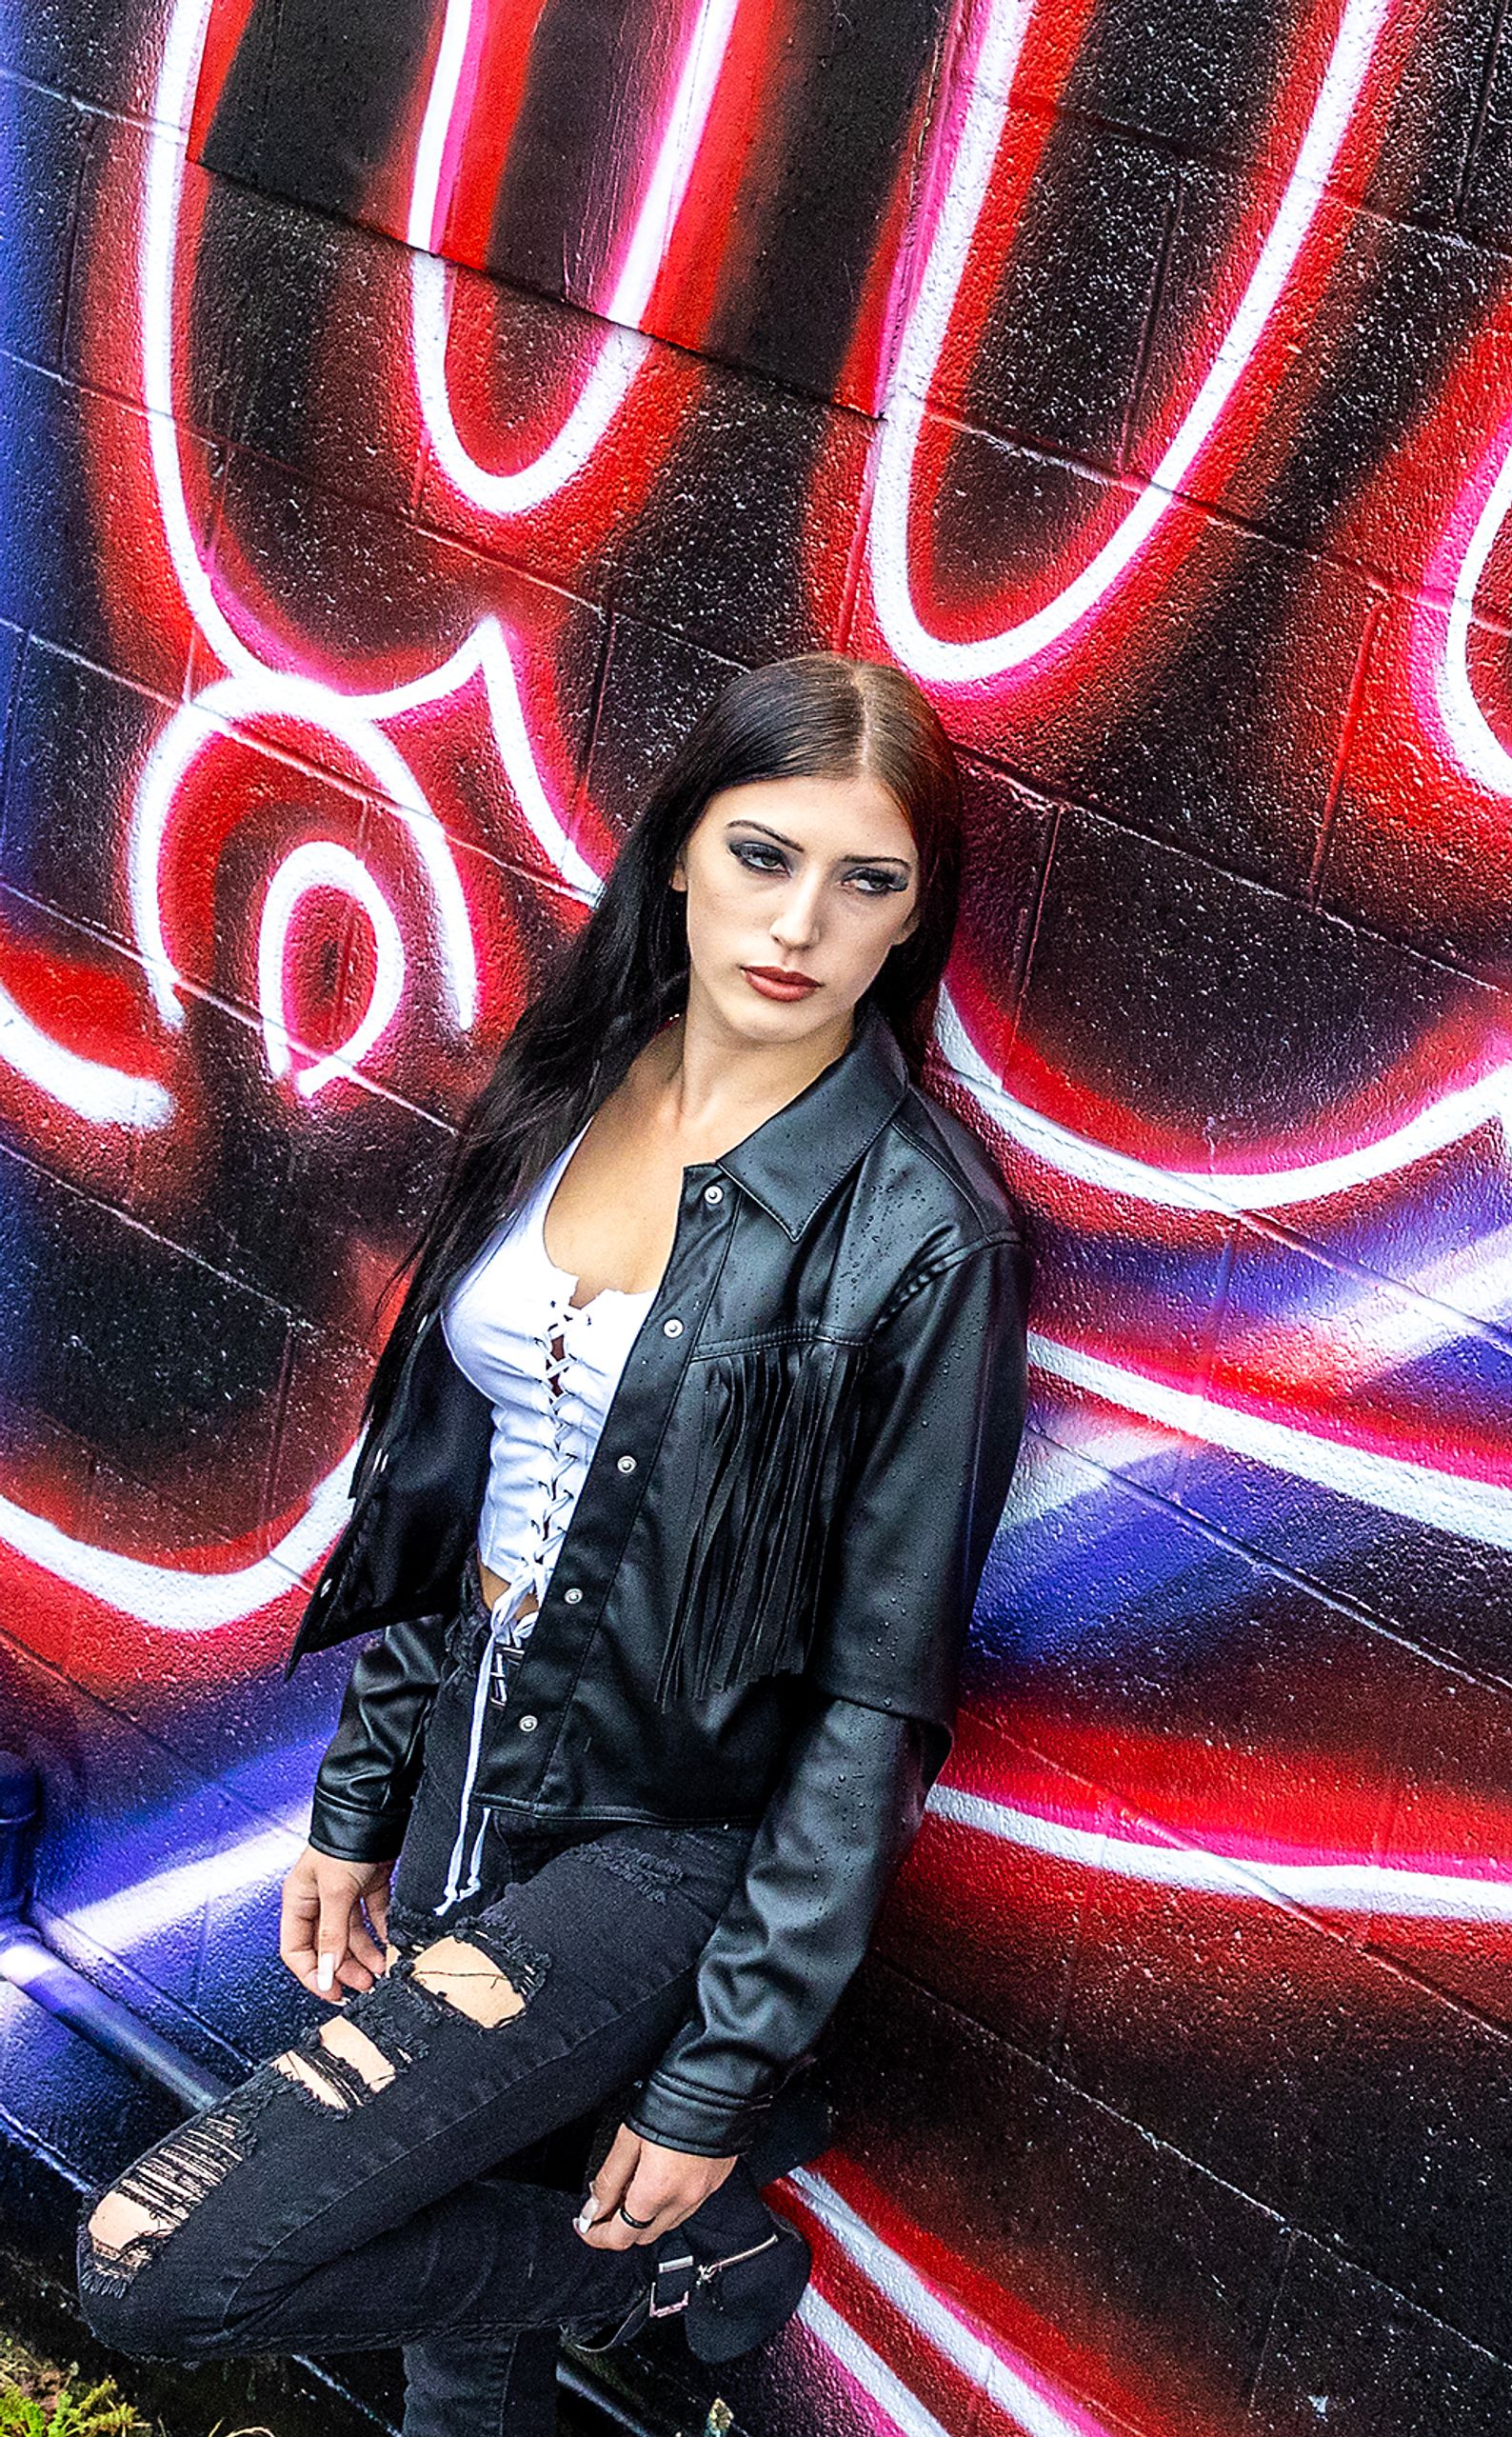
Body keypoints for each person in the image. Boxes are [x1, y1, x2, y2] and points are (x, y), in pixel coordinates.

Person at [70, 654, 1036, 2437]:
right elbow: (451, 1490)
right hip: (463, 1774)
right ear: (678, 856)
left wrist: (723, 2069)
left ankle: (679, 2263)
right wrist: (363, 1800)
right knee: (460, 2359)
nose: (803, 923)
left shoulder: (924, 1232)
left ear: (915, 922)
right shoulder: (566, 1088)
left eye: (868, 882)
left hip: (661, 1852)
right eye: (763, 856)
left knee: (165, 2257)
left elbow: (876, 1701)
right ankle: (655, 2280)